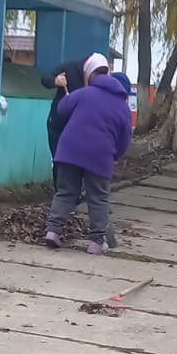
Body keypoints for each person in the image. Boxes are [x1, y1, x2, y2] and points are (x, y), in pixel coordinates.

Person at [45, 68, 132, 254]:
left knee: (66, 192)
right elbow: (125, 140)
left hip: (70, 149)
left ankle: (52, 231)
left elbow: (62, 109)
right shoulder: (123, 108)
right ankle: (96, 242)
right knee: (98, 198)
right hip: (100, 155)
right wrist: (114, 155)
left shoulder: (85, 92)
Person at [41, 52, 110, 176]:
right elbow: (45, 79)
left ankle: (75, 191)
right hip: (60, 125)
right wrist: (55, 81)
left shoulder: (100, 78)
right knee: (60, 162)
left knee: (78, 164)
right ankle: (61, 192)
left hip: (82, 129)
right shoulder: (69, 69)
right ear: (89, 71)